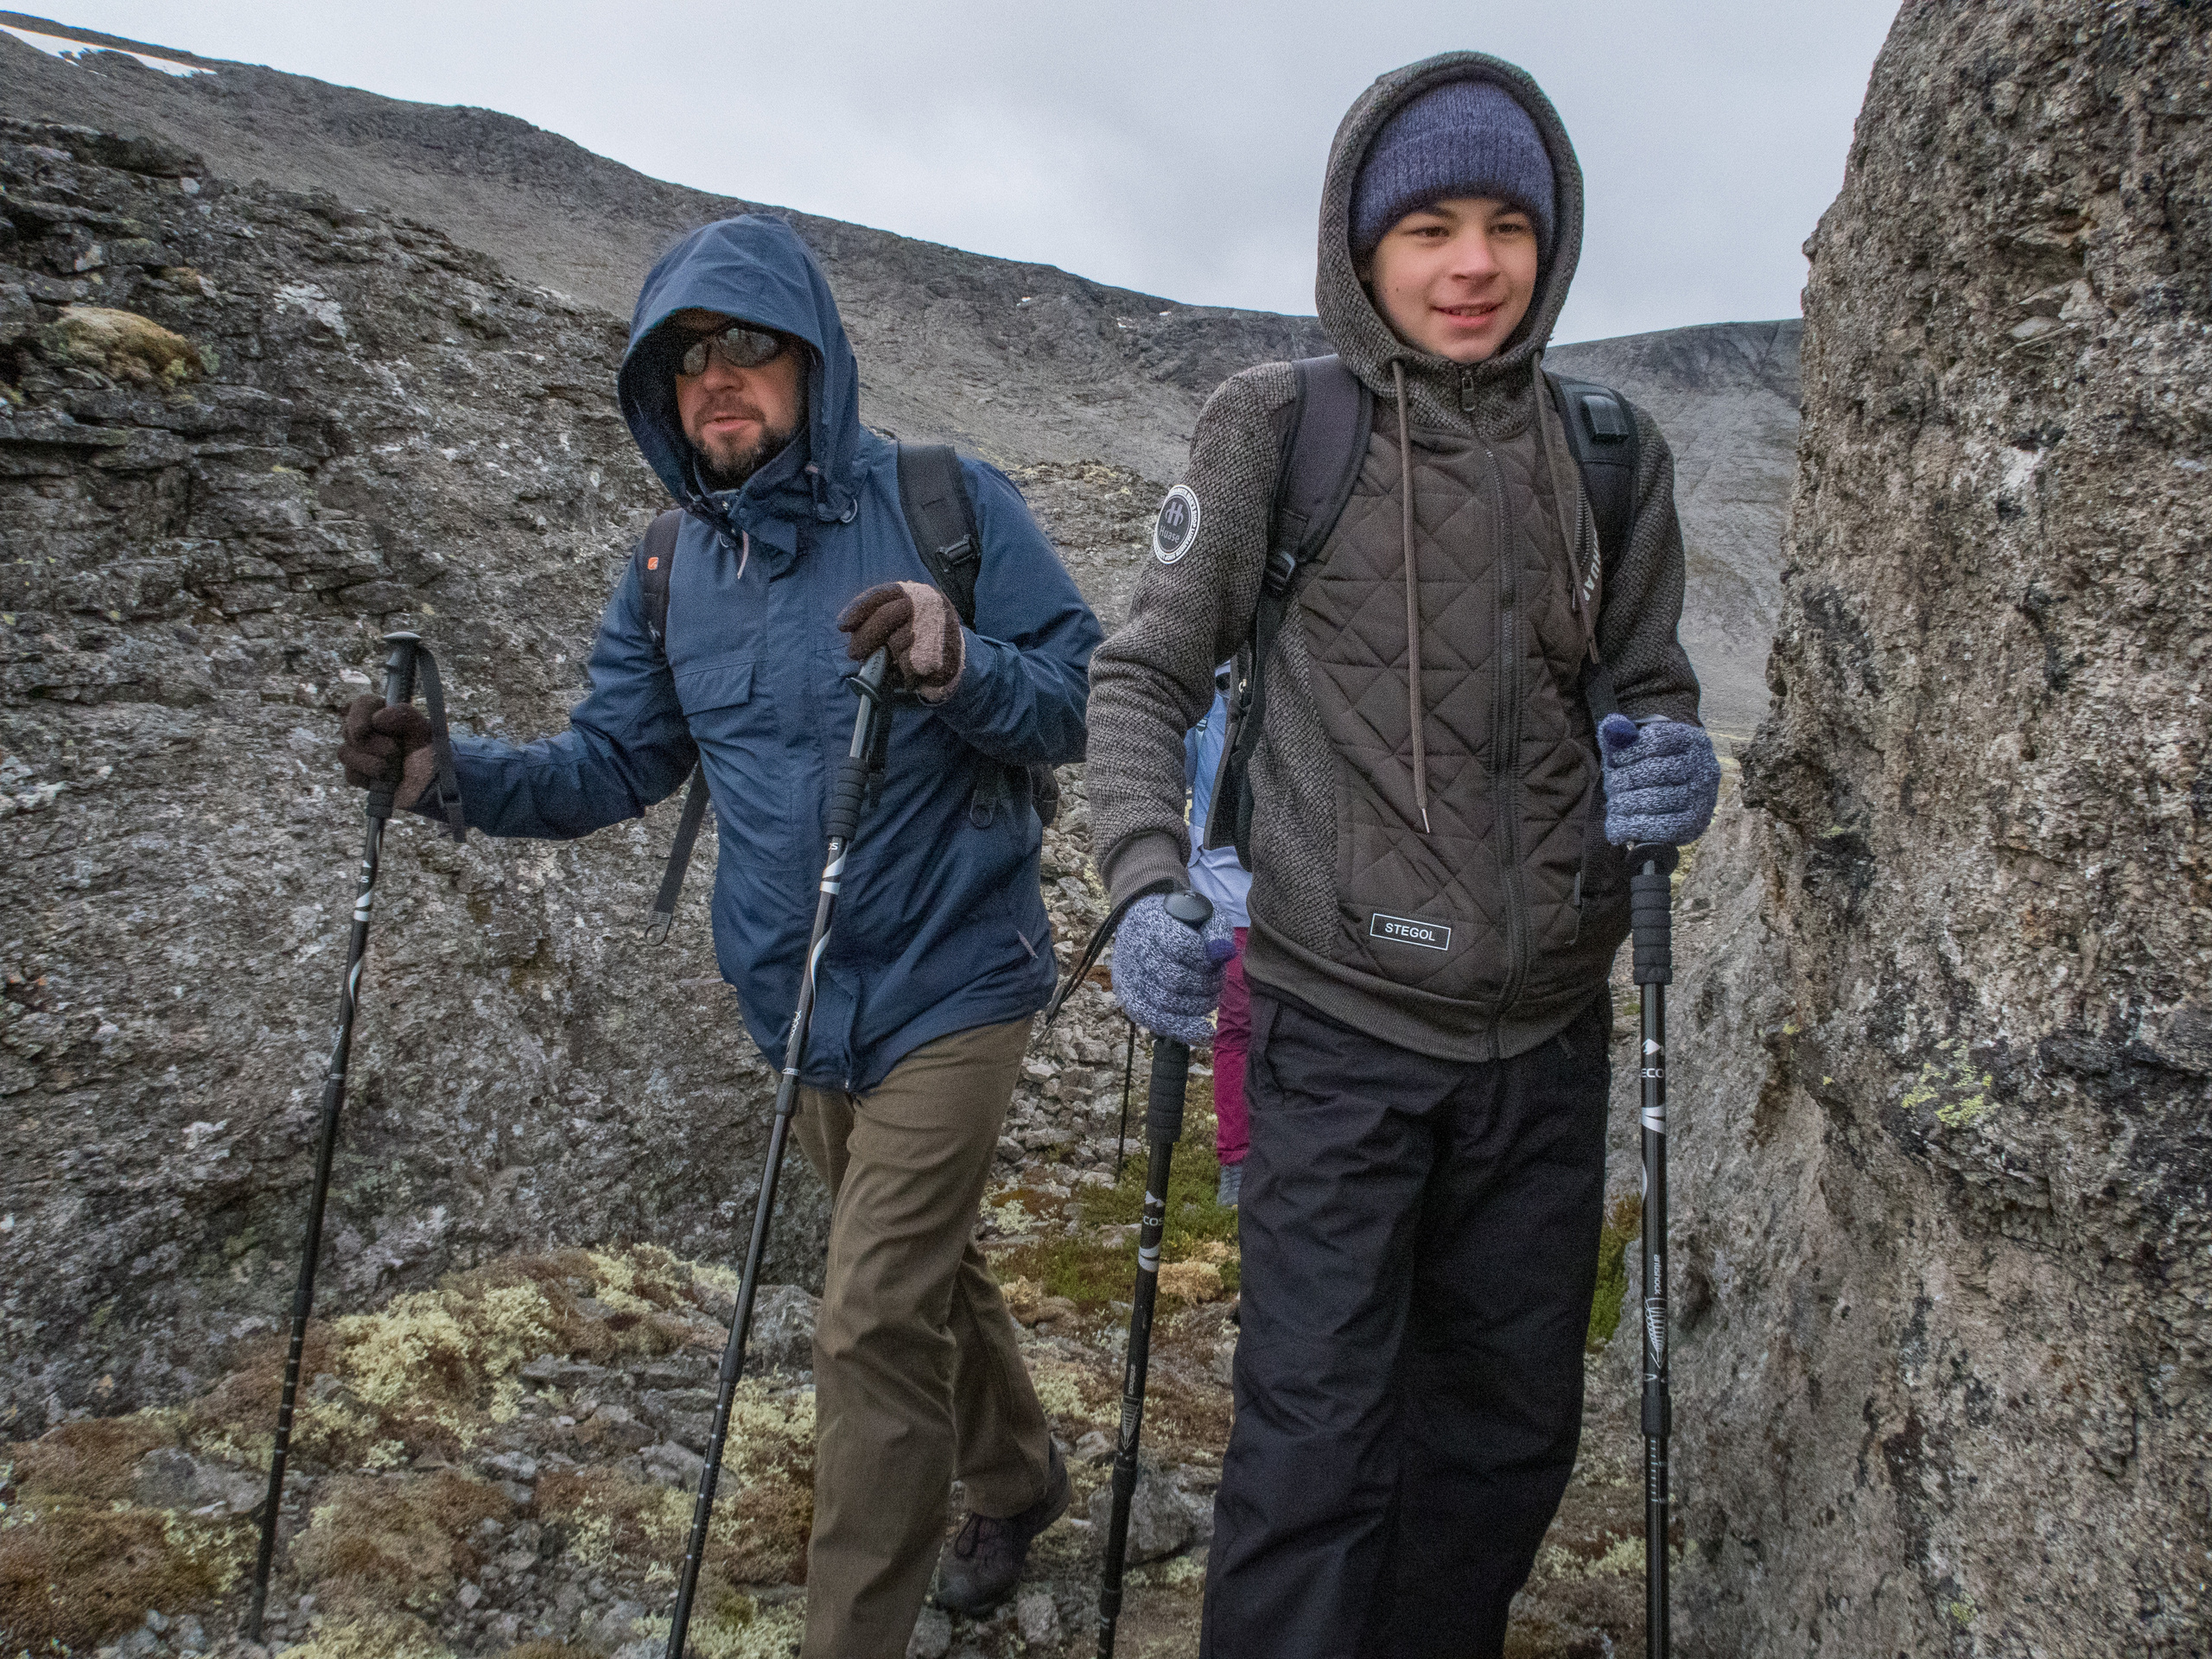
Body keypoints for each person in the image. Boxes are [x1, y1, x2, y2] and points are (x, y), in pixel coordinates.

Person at [336, 213, 1100, 1657]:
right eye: (687, 363)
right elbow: (609, 765)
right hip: (798, 993)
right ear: (659, 397)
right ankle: (1018, 1473)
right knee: (927, 1266)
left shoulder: (948, 501)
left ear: (814, 363)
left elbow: (1086, 695)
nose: (720, 382)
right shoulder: (672, 571)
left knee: (871, 1315)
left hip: (958, 972)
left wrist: (960, 660)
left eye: (751, 348)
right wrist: (446, 775)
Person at [1084, 54, 1720, 1659]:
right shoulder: (1273, 431)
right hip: (1336, 1037)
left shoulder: (1610, 451)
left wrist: (1677, 772)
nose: (1472, 263)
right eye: (1429, 223)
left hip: (1546, 1043)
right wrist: (1147, 880)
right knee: (1315, 1458)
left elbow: (1648, 693)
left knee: (1504, 1449)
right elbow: (1143, 674)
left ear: (1550, 242)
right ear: (1360, 245)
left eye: (1508, 223)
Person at [1184, 667, 1254, 1206]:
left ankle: (1245, 1158)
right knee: (1243, 1029)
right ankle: (1240, 1158)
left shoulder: (1209, 700)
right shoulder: (1207, 701)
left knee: (1241, 1031)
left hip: (1258, 899)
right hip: (1235, 902)